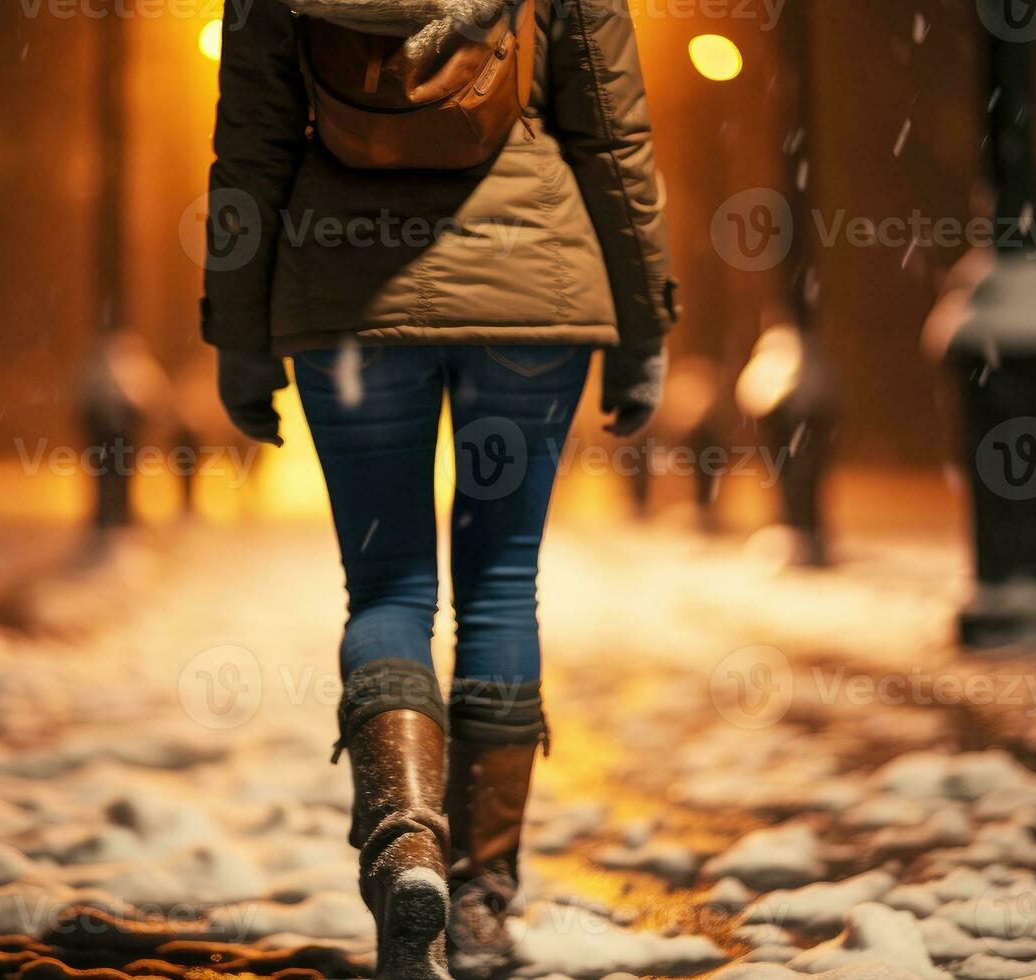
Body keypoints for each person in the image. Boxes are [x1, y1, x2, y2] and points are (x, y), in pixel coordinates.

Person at [201, 0, 675, 973]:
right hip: (528, 293)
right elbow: (612, 138)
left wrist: (241, 337)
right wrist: (643, 324)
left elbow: (248, 152)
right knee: (502, 583)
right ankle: (479, 894)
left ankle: (405, 837)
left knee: (387, 589)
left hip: (345, 298)